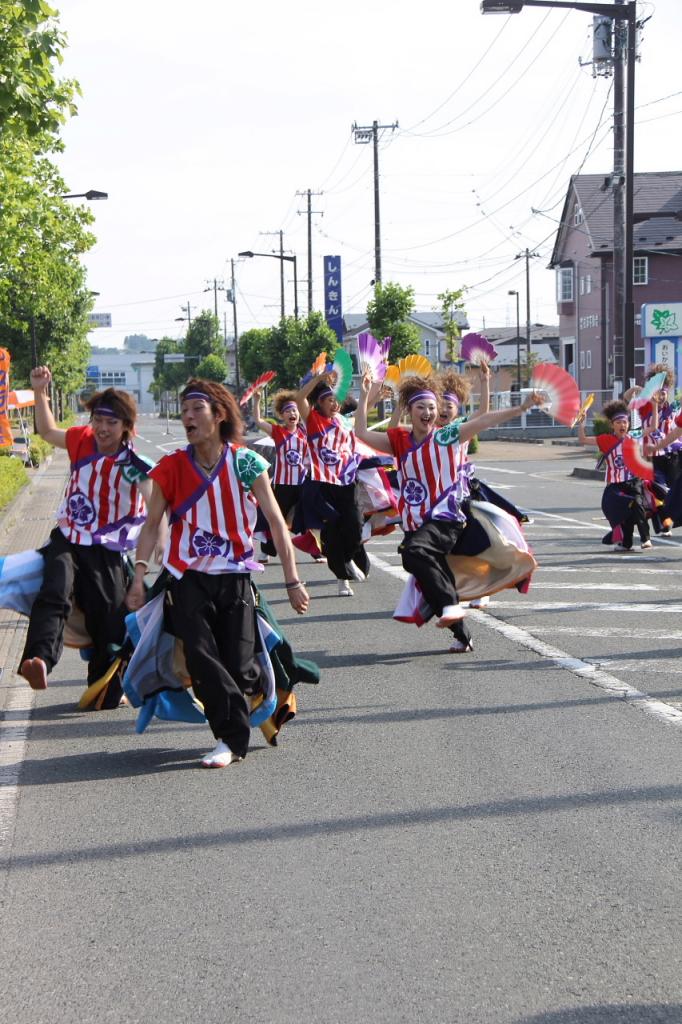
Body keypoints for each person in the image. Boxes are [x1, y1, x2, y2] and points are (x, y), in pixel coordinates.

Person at [126, 379, 309, 769]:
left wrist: (293, 580)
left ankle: (258, 687)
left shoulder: (245, 462)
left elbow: (277, 523)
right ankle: (230, 740)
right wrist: (140, 573)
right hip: (187, 578)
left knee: (240, 664)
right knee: (201, 657)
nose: (187, 417)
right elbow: (151, 523)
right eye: (184, 410)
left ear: (219, 415)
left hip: (236, 577)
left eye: (196, 410)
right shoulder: (171, 467)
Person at [355, 371, 543, 653]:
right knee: (427, 570)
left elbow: (484, 419)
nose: (429, 412)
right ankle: (462, 633)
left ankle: (450, 605)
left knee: (414, 553)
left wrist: (522, 407)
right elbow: (360, 433)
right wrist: (365, 395)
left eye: (432, 407)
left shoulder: (447, 437)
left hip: (446, 518)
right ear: (410, 410)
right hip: (417, 523)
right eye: (421, 407)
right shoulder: (400, 441)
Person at [19, 366, 156, 705]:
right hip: (69, 535)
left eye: (111, 422)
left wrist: (149, 559)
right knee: (54, 590)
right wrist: (39, 391)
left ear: (126, 426)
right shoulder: (82, 440)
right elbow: (48, 431)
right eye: (98, 419)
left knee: (108, 615)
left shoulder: (134, 464)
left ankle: (105, 683)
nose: (103, 428)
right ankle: (38, 659)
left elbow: (155, 510)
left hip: (108, 545)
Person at [295, 371, 368, 597]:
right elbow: (299, 400)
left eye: (337, 400)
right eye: (329, 400)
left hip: (347, 481)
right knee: (333, 534)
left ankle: (349, 559)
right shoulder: (312, 421)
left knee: (355, 526)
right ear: (319, 403)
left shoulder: (343, 421)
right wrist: (317, 380)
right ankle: (342, 578)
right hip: (323, 485)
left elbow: (363, 412)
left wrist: (367, 391)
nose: (335, 404)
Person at [577, 399, 653, 551]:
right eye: (618, 422)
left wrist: (655, 405)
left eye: (625, 422)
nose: (622, 425)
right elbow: (582, 440)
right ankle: (625, 542)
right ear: (612, 425)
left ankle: (646, 538)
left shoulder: (634, 436)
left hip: (633, 482)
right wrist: (582, 422)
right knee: (622, 512)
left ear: (629, 425)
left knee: (637, 504)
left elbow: (653, 427)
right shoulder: (606, 440)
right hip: (615, 485)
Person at [252, 388, 309, 561]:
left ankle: (315, 550)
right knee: (276, 518)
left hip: (303, 483)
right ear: (282, 416)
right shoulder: (278, 432)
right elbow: (258, 421)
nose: (292, 413)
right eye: (288, 411)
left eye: (295, 410)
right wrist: (257, 400)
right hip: (282, 484)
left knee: (309, 515)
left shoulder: (305, 432)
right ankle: (265, 551)